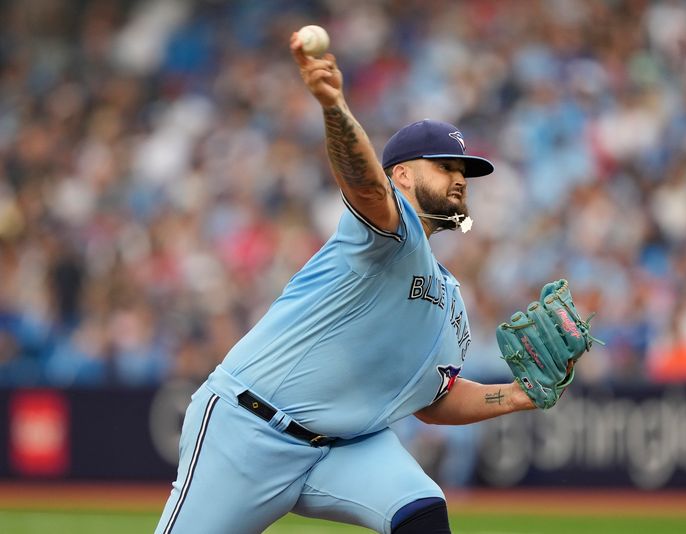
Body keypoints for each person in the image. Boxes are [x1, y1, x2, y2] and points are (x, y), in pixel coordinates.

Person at [155, 31, 540, 534]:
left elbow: (433, 399)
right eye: (446, 166)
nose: (461, 178)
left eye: (465, 170)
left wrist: (515, 395)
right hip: (249, 429)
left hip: (347, 448)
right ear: (401, 175)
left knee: (423, 513)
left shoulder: (450, 301)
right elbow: (363, 182)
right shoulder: (387, 230)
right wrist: (334, 107)